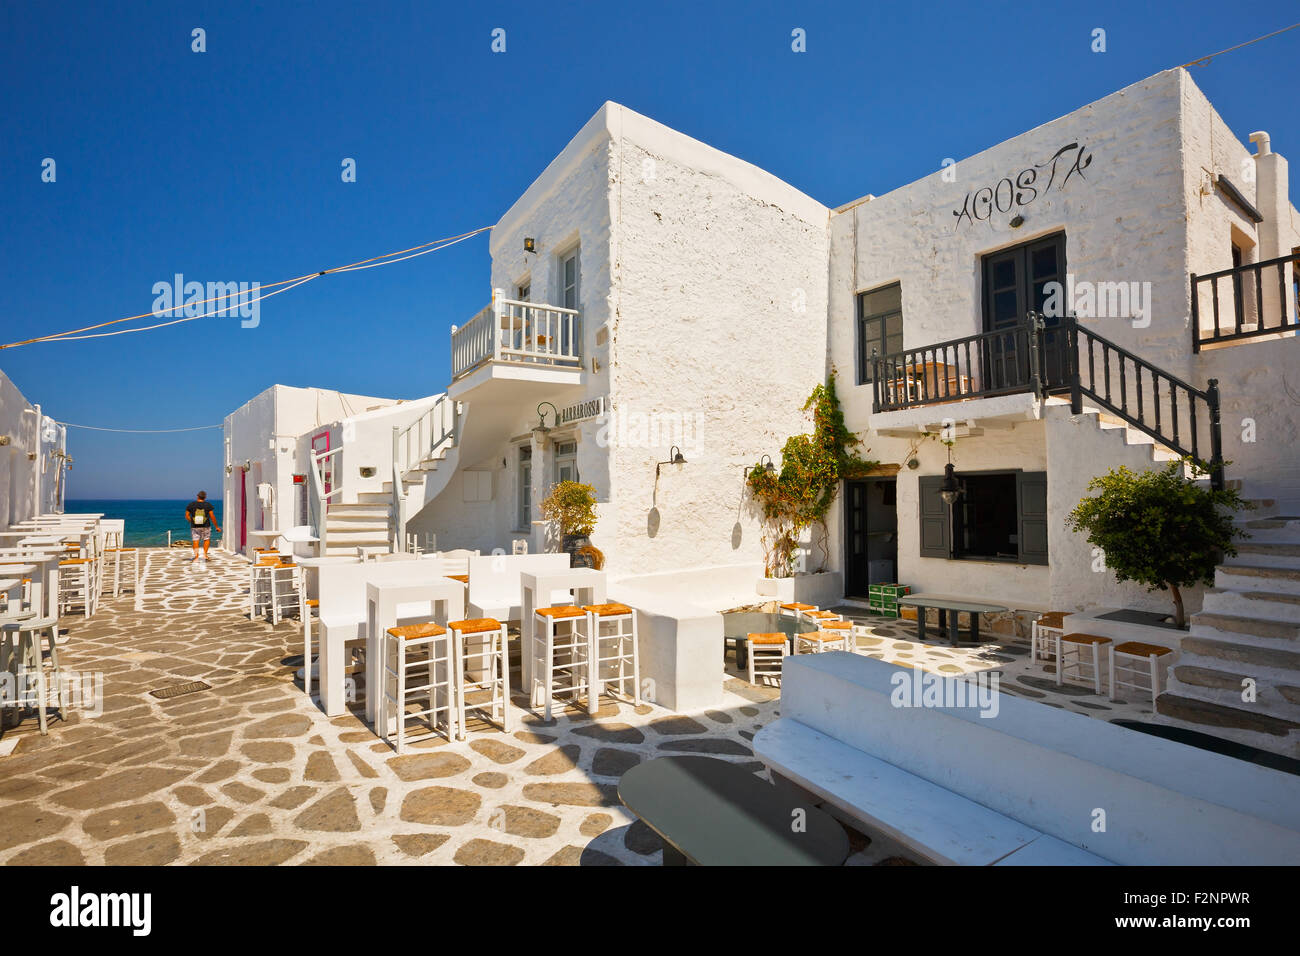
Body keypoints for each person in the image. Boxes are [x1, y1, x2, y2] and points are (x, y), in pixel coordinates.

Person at [186, 491, 221, 564]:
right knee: (206, 539)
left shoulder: (191, 504)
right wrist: (217, 527)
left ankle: (196, 557)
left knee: (195, 541)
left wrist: (192, 521)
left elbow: (187, 516)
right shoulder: (208, 505)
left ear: (197, 496)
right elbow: (212, 516)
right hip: (206, 526)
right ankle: (205, 555)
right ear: (205, 497)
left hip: (195, 526)